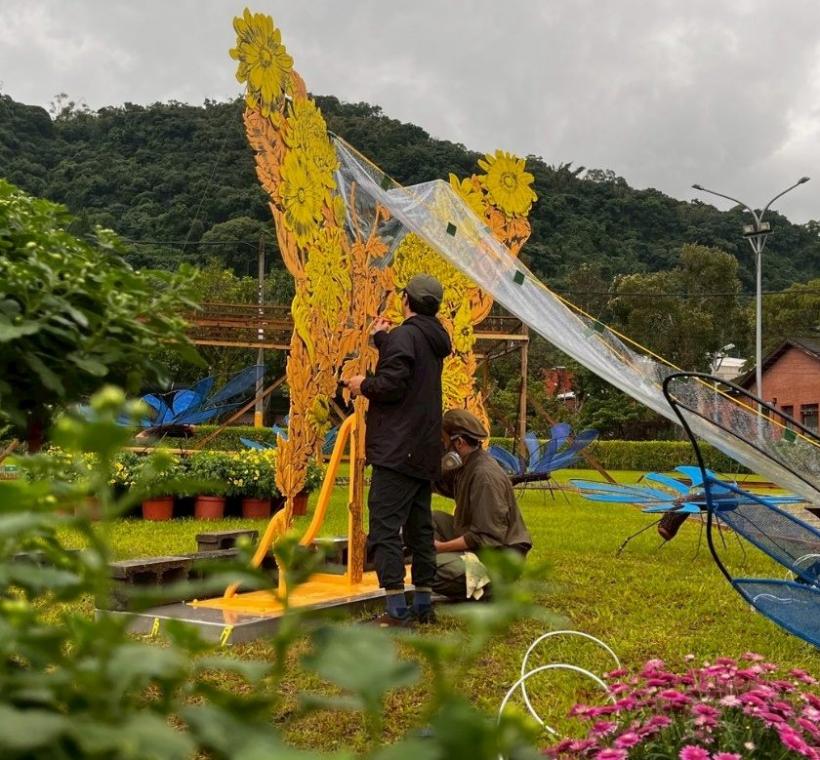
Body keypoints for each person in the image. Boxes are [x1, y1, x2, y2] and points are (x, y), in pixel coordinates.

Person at [345, 274, 451, 626]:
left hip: (397, 449)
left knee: (385, 527)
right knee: (419, 528)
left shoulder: (408, 335)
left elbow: (392, 384)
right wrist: (383, 340)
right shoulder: (432, 339)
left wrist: (363, 385)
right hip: (422, 449)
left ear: (406, 299)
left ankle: (394, 609)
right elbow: (408, 361)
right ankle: (423, 604)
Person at [432, 409, 532, 599]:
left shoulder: (484, 477)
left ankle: (493, 586)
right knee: (433, 519)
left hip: (498, 558)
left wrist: (439, 547)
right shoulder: (467, 464)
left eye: (443, 443)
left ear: (459, 443)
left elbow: (485, 538)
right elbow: (442, 485)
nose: (442, 448)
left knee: (428, 567)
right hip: (479, 546)